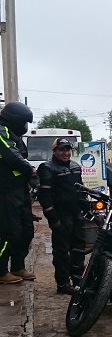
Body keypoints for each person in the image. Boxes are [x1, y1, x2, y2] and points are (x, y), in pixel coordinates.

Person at [38, 138, 86, 296]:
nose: (65, 152)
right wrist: (52, 217)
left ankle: (79, 280)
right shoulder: (47, 168)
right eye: (61, 150)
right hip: (61, 216)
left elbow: (81, 192)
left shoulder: (75, 167)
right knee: (61, 252)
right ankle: (63, 284)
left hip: (76, 214)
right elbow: (44, 195)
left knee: (79, 248)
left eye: (67, 149)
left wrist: (86, 209)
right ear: (54, 151)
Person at [0, 102, 37, 284]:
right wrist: (30, 170)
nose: (25, 127)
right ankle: (1, 270)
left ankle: (17, 266)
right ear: (15, 120)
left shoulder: (14, 134)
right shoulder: (1, 132)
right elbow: (12, 155)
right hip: (6, 190)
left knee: (27, 231)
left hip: (20, 190)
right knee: (10, 232)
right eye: (23, 122)